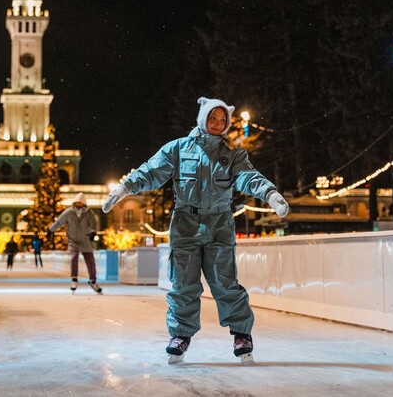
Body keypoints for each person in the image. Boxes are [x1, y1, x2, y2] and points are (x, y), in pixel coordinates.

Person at [102, 97, 289, 365]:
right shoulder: (179, 148)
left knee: (225, 283)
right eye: (213, 118)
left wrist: (270, 194)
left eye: (222, 120)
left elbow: (249, 177)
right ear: (203, 119)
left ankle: (241, 334)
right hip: (185, 224)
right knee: (183, 284)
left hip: (219, 225)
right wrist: (124, 188)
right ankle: (180, 335)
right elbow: (151, 170)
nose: (218, 123)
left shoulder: (233, 153)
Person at [49, 192, 103, 294]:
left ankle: (93, 281)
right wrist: (50, 230)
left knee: (90, 262)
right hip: (73, 240)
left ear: (84, 204)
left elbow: (95, 223)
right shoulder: (68, 212)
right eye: (77, 203)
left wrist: (93, 232)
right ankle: (74, 279)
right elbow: (59, 222)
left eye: (80, 203)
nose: (78, 205)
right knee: (74, 259)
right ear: (74, 203)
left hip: (85, 240)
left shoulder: (89, 213)